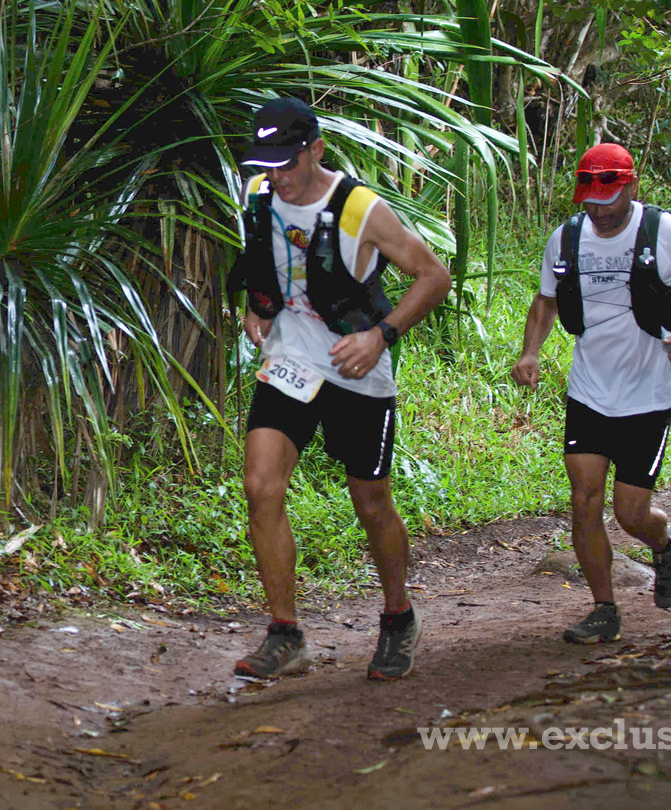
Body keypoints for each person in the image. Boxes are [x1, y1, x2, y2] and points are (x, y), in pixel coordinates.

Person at [228, 97, 452, 680]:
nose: (276, 175)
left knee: (371, 504)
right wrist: (254, 308)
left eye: (287, 161)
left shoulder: (360, 210)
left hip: (357, 370)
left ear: (316, 150)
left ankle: (399, 617)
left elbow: (434, 276)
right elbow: (261, 266)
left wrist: (381, 336)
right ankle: (285, 633)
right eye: (266, 162)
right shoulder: (257, 197)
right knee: (260, 485)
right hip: (292, 360)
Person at [510, 142, 671, 644]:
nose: (600, 211)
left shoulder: (666, 233)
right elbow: (545, 303)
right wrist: (530, 352)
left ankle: (666, 540)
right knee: (583, 502)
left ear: (632, 186)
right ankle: (604, 609)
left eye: (609, 200)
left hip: (649, 395)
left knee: (630, 515)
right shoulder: (564, 240)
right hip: (589, 390)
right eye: (590, 201)